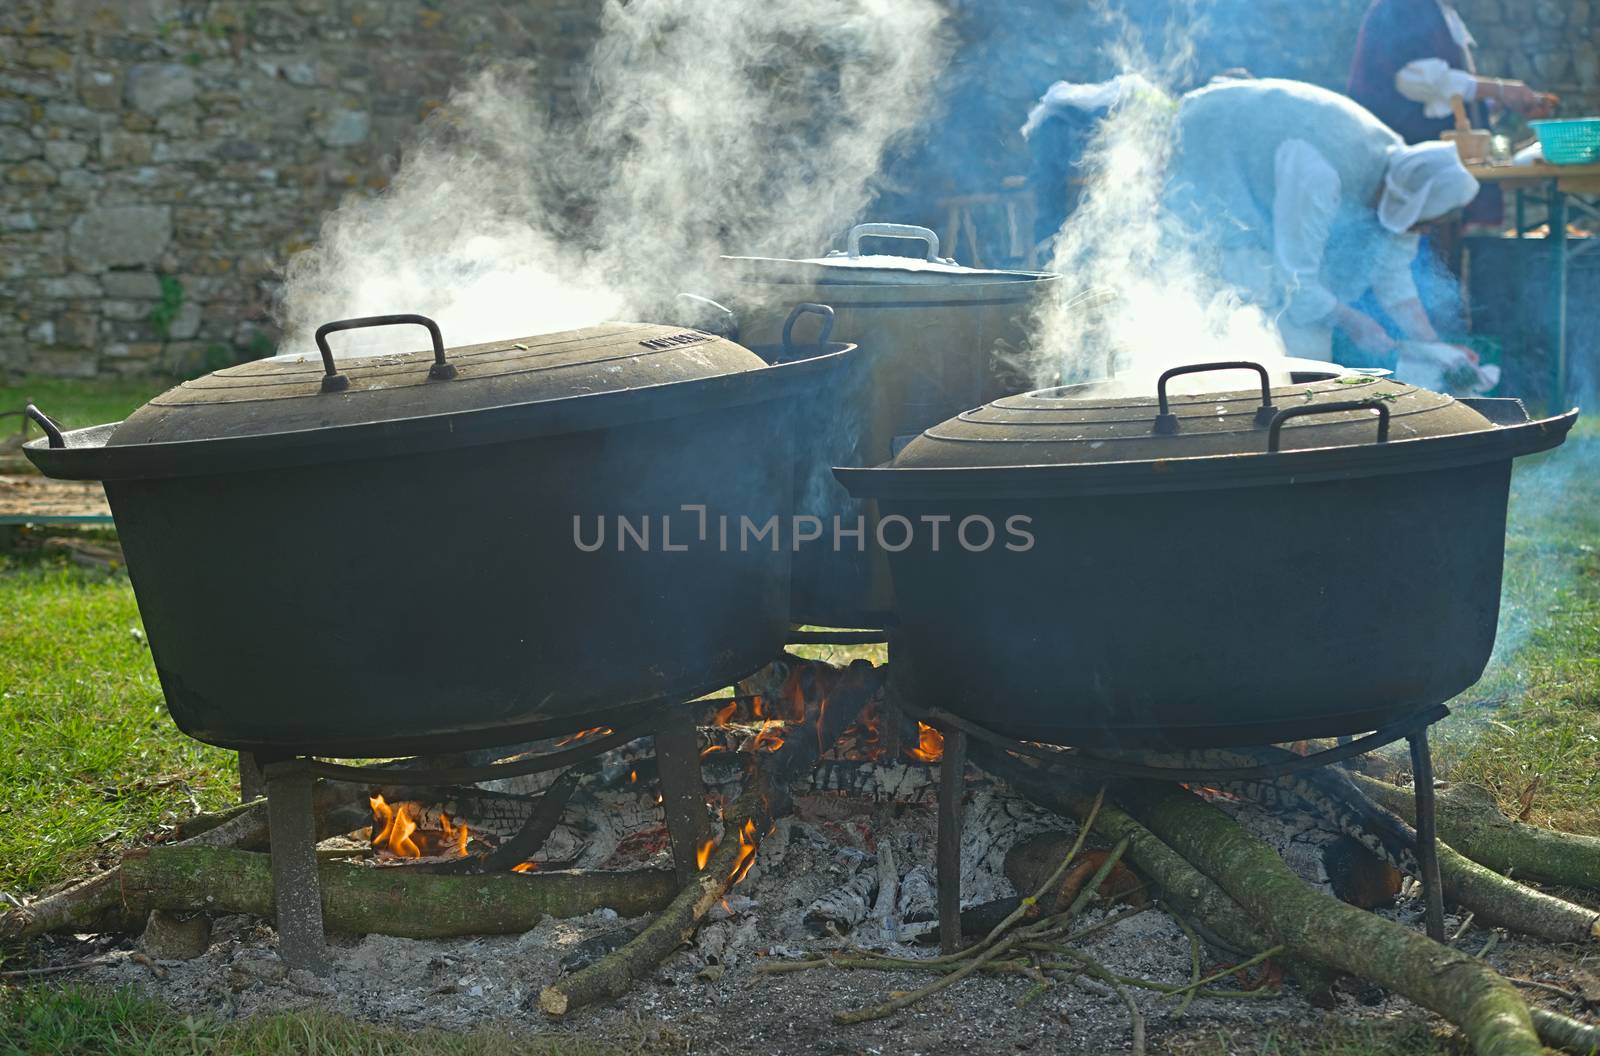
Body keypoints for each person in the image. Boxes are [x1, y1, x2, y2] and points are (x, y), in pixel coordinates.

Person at [1164, 79, 1492, 391]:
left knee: (1307, 332)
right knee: (1256, 298)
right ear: (1411, 205)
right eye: (1422, 224)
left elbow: (1394, 276)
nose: (1421, 232)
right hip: (1211, 143)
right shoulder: (1320, 174)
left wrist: (1433, 345)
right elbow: (1295, 280)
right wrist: (1353, 321)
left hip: (1258, 171)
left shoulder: (1407, 180)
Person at [1348, 0, 1557, 148]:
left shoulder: (1442, 11)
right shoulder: (1402, 6)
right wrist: (1499, 89)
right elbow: (1420, 81)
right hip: (1406, 153)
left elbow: (1450, 95)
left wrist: (1493, 102)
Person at [1021, 74, 1154, 251]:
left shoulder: (1129, 103)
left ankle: (1053, 251)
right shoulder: (1057, 122)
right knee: (1051, 198)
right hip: (1057, 174)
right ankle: (1047, 253)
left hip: (1088, 175)